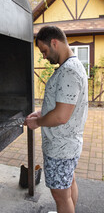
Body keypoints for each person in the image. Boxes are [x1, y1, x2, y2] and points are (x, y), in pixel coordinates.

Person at [25, 26, 88, 213]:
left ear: (55, 43)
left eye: (44, 51)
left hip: (60, 148)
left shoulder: (68, 71)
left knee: (61, 197)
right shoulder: (72, 66)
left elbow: (61, 116)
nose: (44, 56)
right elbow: (62, 106)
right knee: (68, 186)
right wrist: (41, 114)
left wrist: (38, 122)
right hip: (68, 145)